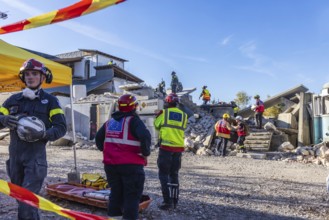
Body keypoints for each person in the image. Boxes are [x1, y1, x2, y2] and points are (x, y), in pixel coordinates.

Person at [0, 58, 67, 220]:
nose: (30, 77)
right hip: (15, 160)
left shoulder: (50, 101)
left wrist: (44, 134)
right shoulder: (12, 100)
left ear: (42, 77)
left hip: (35, 160)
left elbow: (61, 128)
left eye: (34, 73)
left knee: (27, 202)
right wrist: (3, 120)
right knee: (23, 201)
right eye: (27, 74)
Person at [95, 94, 151, 220]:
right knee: (131, 197)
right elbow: (145, 136)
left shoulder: (110, 122)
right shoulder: (134, 121)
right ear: (134, 107)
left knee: (116, 194)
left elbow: (98, 138)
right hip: (131, 166)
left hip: (111, 165)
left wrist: (106, 150)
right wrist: (145, 152)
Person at [154, 93, 188, 210]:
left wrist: (158, 116)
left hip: (166, 148)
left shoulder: (164, 113)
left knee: (163, 174)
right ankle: (174, 201)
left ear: (167, 103)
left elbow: (156, 125)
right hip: (178, 148)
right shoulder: (183, 115)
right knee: (174, 174)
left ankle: (167, 202)